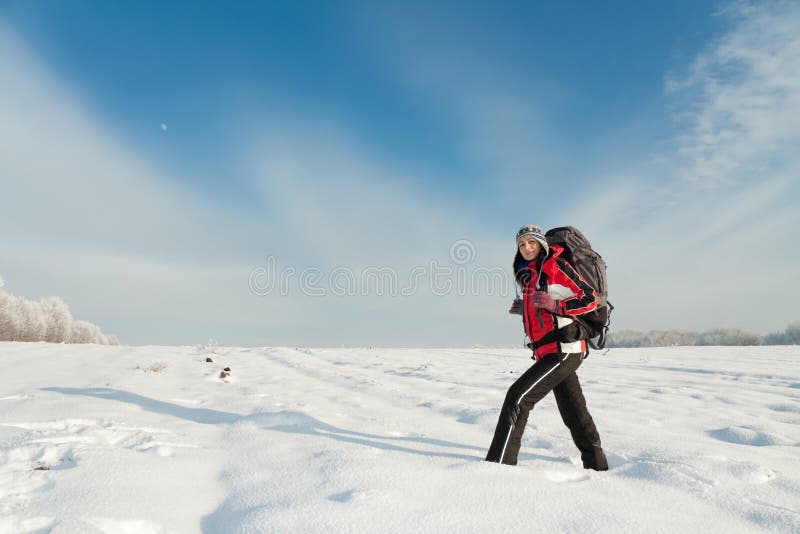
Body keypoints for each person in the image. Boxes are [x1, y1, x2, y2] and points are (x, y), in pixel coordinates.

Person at [485, 224, 608, 470]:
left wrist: (557, 306)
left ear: (541, 244)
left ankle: (497, 468)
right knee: (574, 412)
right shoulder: (530, 275)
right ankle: (597, 466)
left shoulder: (555, 266)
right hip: (549, 350)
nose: (527, 247)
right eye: (522, 244)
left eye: (531, 242)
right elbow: (545, 310)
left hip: (564, 347)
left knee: (518, 398)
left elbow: (588, 298)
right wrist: (524, 310)